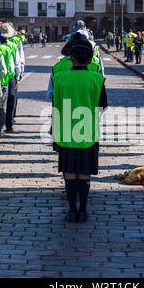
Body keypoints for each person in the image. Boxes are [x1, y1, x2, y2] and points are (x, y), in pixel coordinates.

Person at [52, 40, 107, 223]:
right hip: (88, 130)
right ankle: (83, 210)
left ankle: (71, 209)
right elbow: (102, 105)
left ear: (72, 58)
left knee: (69, 172)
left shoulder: (60, 78)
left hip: (66, 129)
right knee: (84, 172)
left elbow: (55, 104)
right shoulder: (97, 78)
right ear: (90, 59)